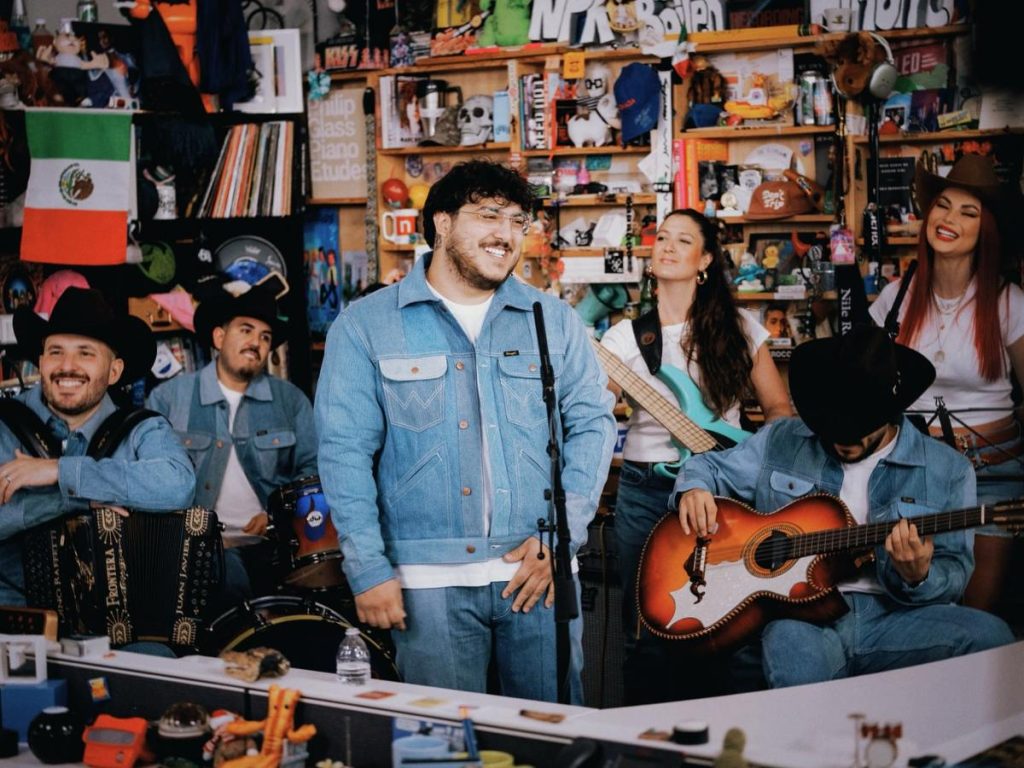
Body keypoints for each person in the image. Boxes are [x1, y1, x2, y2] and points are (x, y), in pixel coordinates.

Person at [314, 159, 616, 702]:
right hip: (426, 582)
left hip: (538, 573)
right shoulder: (366, 325)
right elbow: (343, 454)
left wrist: (561, 537)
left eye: (519, 222)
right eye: (489, 216)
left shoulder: (554, 319)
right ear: (443, 223)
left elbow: (592, 425)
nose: (506, 234)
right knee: (444, 743)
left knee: (551, 736)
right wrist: (367, 568)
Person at [674, 326, 1014, 688]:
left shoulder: (949, 470)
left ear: (889, 413)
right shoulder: (782, 440)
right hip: (802, 619)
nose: (842, 440)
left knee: (991, 639)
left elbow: (955, 574)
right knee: (793, 659)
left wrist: (920, 575)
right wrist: (694, 489)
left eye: (857, 428)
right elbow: (706, 467)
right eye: (832, 426)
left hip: (896, 617)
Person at [599, 208, 792, 703]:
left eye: (682, 241)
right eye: (660, 236)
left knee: (730, 622)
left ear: (704, 260)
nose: (665, 245)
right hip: (647, 491)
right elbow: (596, 406)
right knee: (647, 626)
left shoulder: (741, 328)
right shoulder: (625, 337)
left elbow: (779, 412)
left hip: (725, 488)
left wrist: (748, 463)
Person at [869, 154, 1024, 617]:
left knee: (975, 616)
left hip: (993, 472)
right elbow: (867, 388)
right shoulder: (896, 297)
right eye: (943, 205)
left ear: (987, 230)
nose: (949, 219)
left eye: (968, 212)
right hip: (914, 470)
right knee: (917, 603)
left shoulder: (1007, 301)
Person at [0, 287, 195, 605]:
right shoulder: (5, 424)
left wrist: (59, 472)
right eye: (56, 351)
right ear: (40, 361)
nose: (67, 365)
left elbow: (178, 485)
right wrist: (76, 502)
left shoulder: (142, 429)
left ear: (114, 371)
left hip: (120, 622)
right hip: (15, 618)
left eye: (85, 353)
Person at [147, 284, 317, 608]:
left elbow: (313, 471)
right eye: (246, 330)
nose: (256, 342)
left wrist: (276, 517)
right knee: (229, 581)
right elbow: (151, 476)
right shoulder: (168, 399)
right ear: (219, 338)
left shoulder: (290, 401)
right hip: (195, 547)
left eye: (266, 337)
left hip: (275, 544)